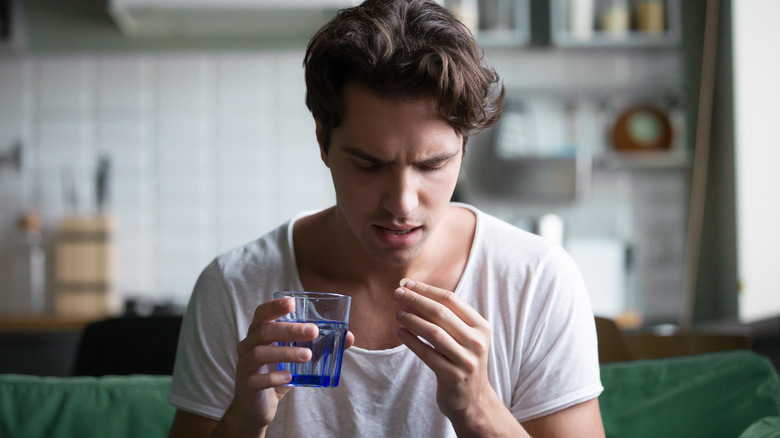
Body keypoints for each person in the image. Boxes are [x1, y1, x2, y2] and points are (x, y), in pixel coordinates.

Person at [167, 0, 605, 436]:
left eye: (432, 165)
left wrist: (477, 409)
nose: (402, 205)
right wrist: (243, 421)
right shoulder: (233, 287)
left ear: (464, 148)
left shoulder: (536, 281)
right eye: (369, 165)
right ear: (323, 142)